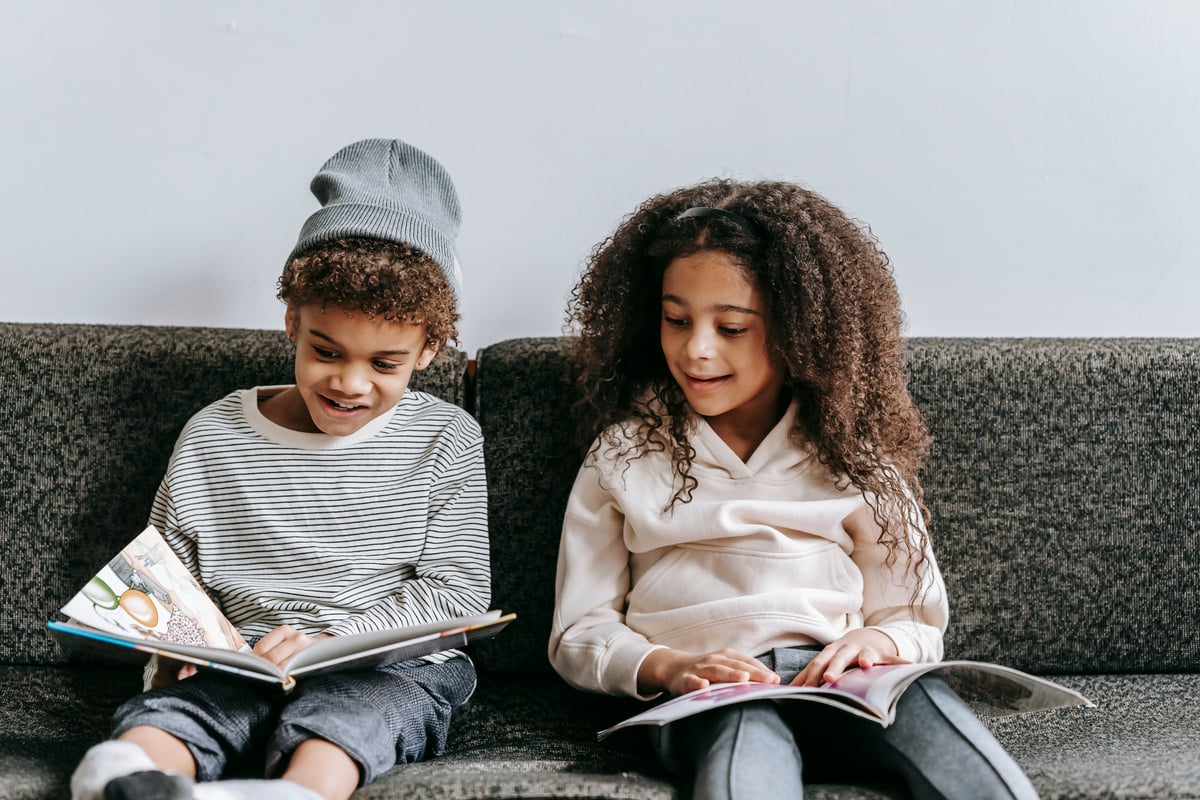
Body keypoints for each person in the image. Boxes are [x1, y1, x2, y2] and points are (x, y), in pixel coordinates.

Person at [548, 179, 1038, 799]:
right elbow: (580, 630)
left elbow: (913, 613)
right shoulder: (623, 454)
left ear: (800, 334)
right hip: (713, 696)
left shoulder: (854, 457)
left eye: (731, 327)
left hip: (846, 685)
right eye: (677, 320)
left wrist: (877, 640)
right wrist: (668, 667)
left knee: (935, 715)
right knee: (746, 734)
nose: (695, 349)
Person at [70, 139, 490, 800]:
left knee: (351, 720)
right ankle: (127, 776)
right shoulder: (215, 432)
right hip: (245, 655)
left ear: (429, 349)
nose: (350, 384)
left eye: (385, 364)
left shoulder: (446, 436)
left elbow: (456, 594)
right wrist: (176, 648)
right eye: (327, 351)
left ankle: (295, 794)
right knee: (181, 714)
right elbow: (167, 577)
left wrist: (333, 639)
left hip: (391, 663)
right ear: (292, 320)